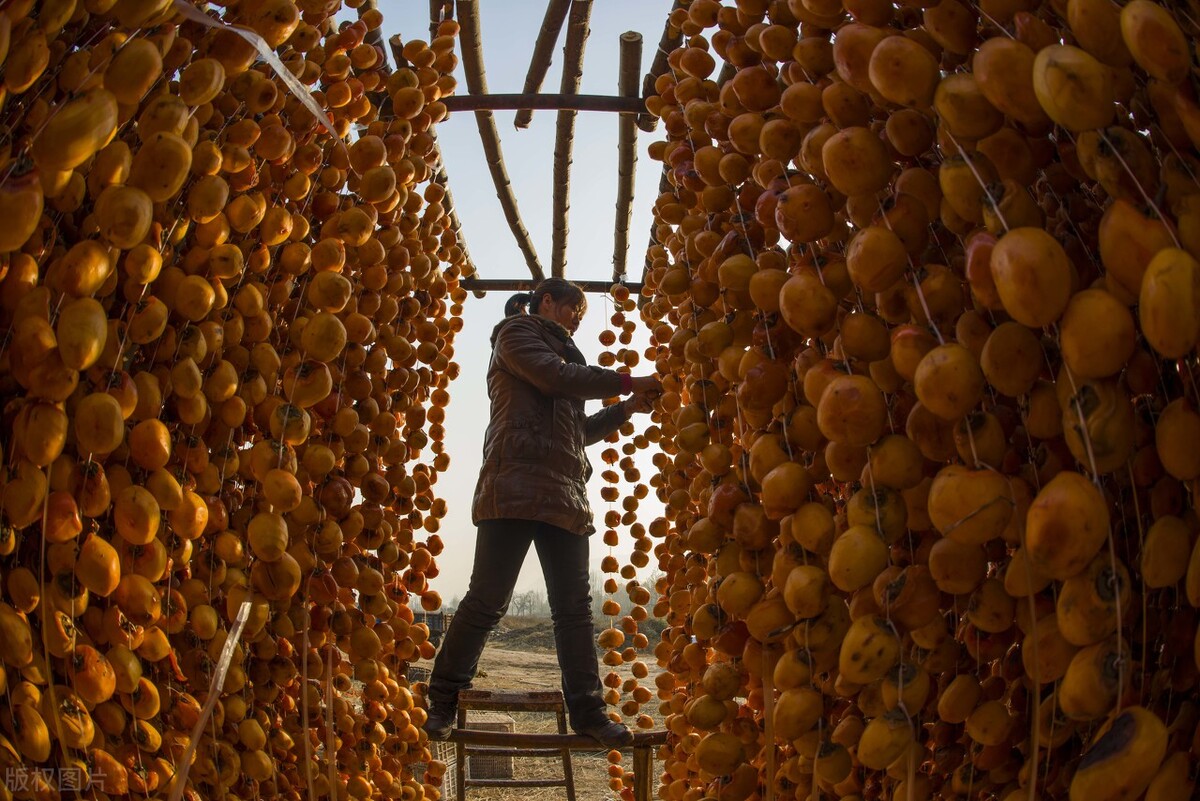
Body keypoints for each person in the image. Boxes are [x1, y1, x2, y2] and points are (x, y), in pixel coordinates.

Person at [421, 277, 661, 748]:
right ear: (547, 300)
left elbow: (578, 431)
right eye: (575, 309)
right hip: (514, 482)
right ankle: (442, 699)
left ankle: (589, 712)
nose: (578, 319)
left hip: (566, 493)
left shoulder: (568, 360)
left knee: (574, 610)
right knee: (487, 601)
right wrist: (628, 379)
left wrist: (626, 407)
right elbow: (556, 379)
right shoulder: (516, 335)